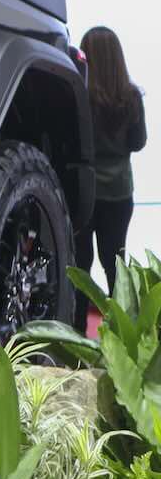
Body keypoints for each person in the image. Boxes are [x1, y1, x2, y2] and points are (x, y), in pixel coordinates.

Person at [76, 25, 147, 287]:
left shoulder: (80, 95)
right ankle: (120, 325)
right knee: (115, 263)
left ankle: (76, 325)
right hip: (119, 192)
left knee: (80, 265)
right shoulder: (131, 96)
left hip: (84, 191)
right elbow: (138, 143)